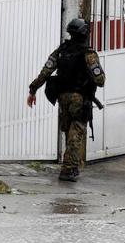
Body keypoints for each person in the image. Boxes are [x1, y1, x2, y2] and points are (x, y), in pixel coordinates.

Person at [27, 18, 105, 182]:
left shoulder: (61, 51)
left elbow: (46, 71)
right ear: (85, 34)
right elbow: (100, 80)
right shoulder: (88, 54)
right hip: (79, 98)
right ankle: (68, 169)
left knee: (68, 131)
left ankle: (72, 166)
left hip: (63, 97)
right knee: (76, 133)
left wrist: (33, 90)